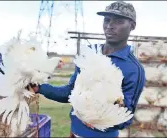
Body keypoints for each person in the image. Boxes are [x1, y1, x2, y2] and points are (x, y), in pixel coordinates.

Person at [27, 1, 146, 137]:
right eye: (107, 20)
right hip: (74, 133)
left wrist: (98, 122)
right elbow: (69, 93)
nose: (110, 26)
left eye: (118, 21)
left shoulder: (134, 69)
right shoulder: (89, 55)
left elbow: (126, 117)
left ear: (132, 26)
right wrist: (40, 88)